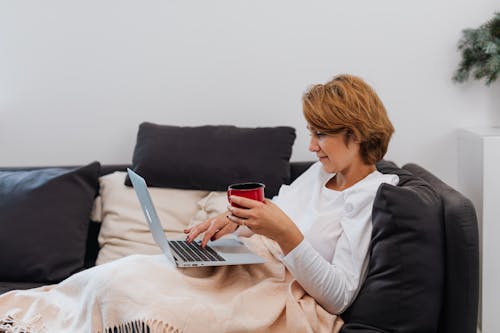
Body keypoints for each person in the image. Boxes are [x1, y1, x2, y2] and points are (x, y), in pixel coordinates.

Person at [0, 74, 398, 333]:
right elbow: (276, 211)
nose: (311, 146)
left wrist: (286, 234)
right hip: (250, 263)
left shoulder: (371, 196)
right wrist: (235, 221)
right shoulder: (320, 173)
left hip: (274, 291)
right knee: (120, 274)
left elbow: (341, 296)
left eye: (322, 135)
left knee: (138, 305)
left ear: (357, 133)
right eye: (311, 133)